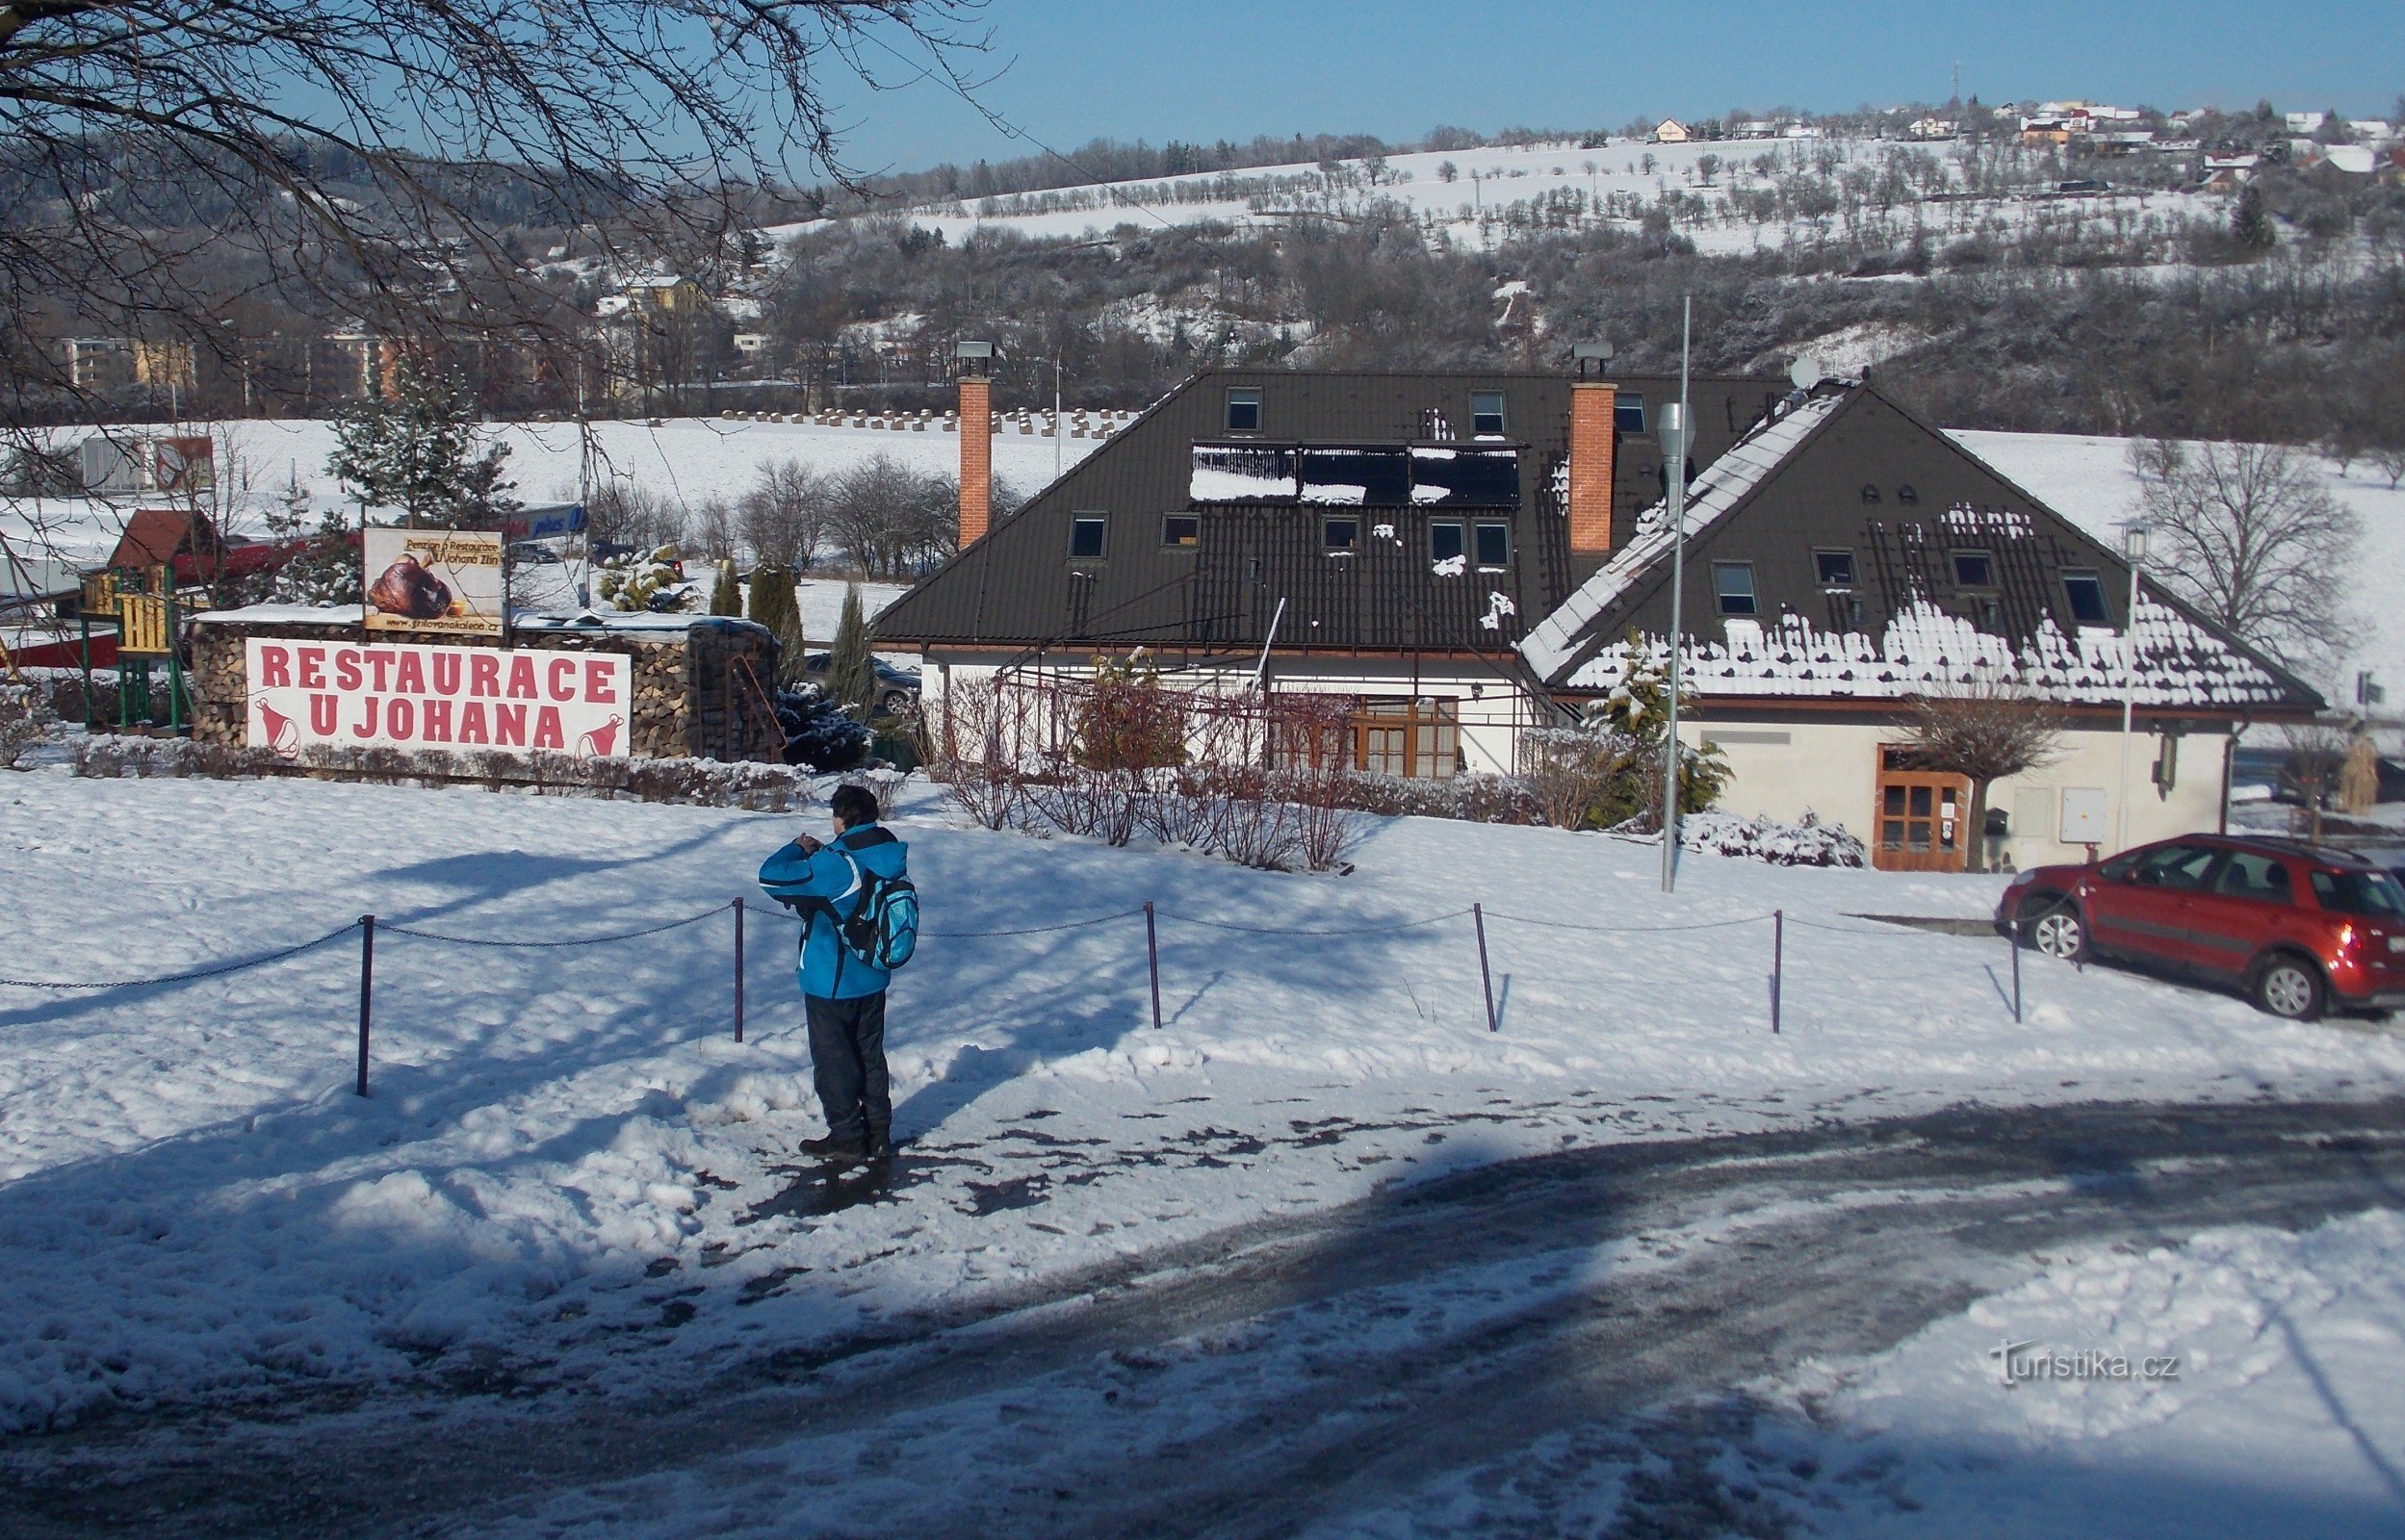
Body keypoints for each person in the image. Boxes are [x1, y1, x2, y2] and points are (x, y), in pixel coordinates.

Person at [758, 783, 908, 1162]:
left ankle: (846, 1137)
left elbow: (771, 877)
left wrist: (798, 847)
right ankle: (878, 1134)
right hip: (874, 975)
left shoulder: (837, 863)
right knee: (870, 1056)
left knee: (834, 1062)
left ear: (841, 818)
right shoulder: (888, 852)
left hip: (832, 981)